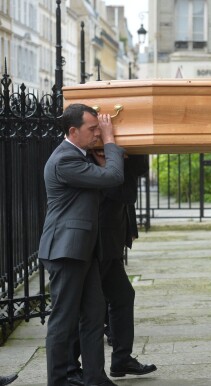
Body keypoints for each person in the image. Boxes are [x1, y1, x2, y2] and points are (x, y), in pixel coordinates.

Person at [39, 104, 124, 386]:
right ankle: (59, 380)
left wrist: (102, 160)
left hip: (82, 249)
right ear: (73, 131)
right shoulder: (66, 159)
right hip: (66, 250)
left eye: (99, 128)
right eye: (93, 128)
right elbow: (113, 177)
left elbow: (108, 187)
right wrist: (111, 142)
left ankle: (94, 378)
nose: (98, 133)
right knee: (63, 320)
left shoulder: (80, 156)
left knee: (93, 314)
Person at [67, 155, 156, 385]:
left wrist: (132, 150)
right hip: (97, 244)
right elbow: (123, 192)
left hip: (111, 241)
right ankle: (70, 367)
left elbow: (140, 170)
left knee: (123, 296)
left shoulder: (112, 155)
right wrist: (118, 156)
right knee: (90, 307)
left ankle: (121, 359)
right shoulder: (89, 160)